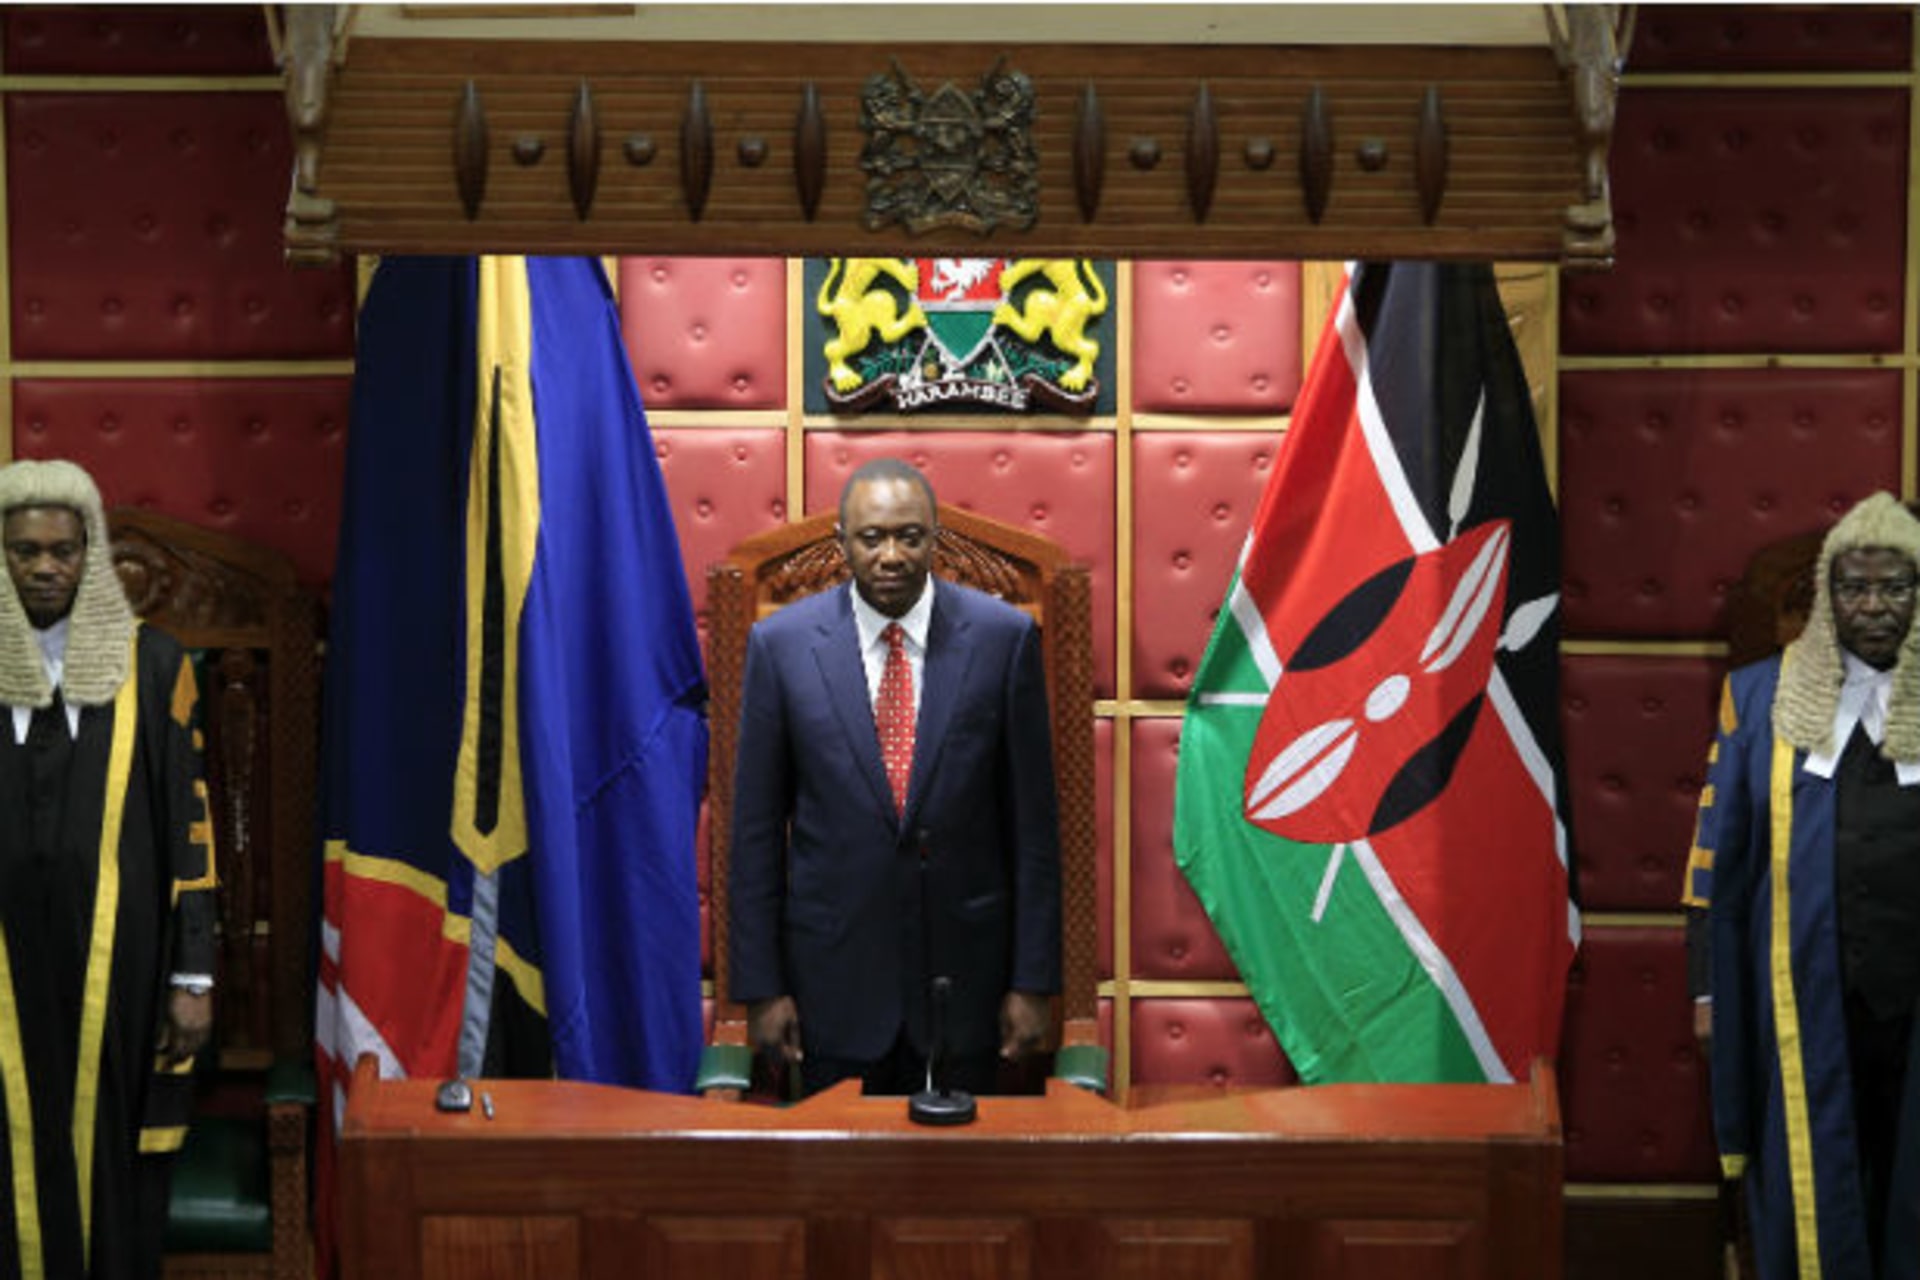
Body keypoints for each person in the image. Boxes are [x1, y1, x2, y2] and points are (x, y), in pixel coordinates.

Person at [728, 458, 1061, 1097]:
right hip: (832, 991)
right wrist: (762, 990)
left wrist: (1032, 982)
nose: (890, 555)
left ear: (935, 539)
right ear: (842, 543)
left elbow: (1034, 832)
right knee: (839, 1194)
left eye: (909, 536)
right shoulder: (782, 646)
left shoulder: (1004, 640)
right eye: (871, 537)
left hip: (970, 991)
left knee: (964, 1189)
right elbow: (755, 835)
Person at [1685, 490, 1920, 1280]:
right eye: (1856, 587)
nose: (1876, 606)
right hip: (1808, 994)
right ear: (1828, 594)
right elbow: (1716, 866)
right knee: (1819, 1181)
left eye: (1896, 586)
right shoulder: (1759, 699)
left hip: (1911, 996)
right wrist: (1708, 991)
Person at [0, 459, 217, 1280]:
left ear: (90, 554)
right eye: (24, 551)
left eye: (61, 550)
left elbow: (191, 827)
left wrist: (193, 977)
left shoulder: (153, 665)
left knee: (103, 1146)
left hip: (114, 969)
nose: (45, 567)